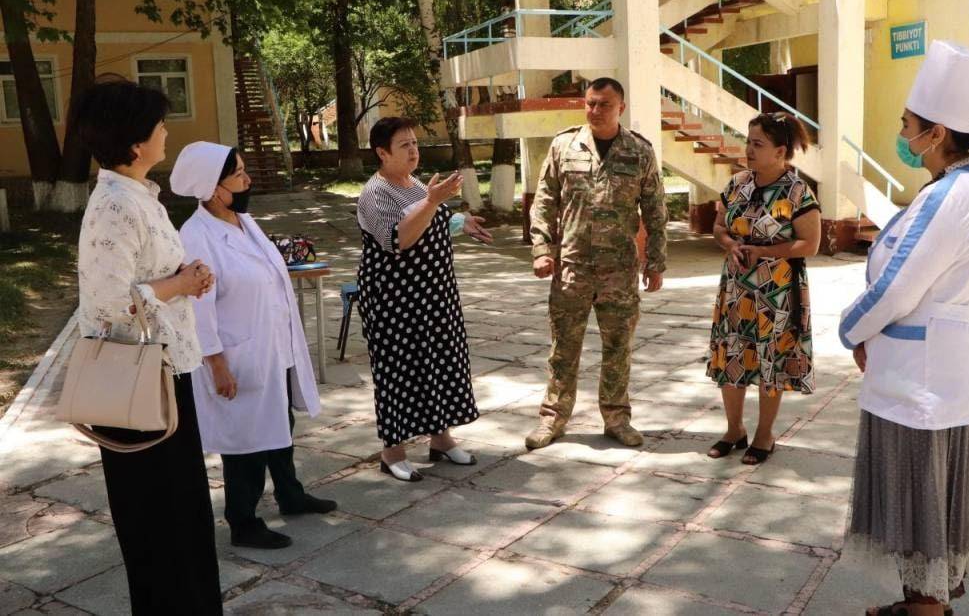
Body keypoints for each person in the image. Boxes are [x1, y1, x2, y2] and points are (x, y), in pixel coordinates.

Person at [839, 41, 969, 615]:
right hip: (947, 374)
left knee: (922, 508)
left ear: (936, 133)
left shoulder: (951, 195)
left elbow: (896, 287)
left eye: (906, 124)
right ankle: (927, 604)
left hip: (924, 383)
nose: (901, 133)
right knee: (940, 505)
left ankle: (925, 609)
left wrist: (851, 330)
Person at [72, 77, 222, 613]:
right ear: (136, 144)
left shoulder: (141, 196)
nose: (167, 133)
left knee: (184, 514)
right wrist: (178, 284)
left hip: (166, 370)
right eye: (160, 125)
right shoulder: (115, 205)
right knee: (158, 522)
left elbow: (145, 277)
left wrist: (185, 277)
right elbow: (108, 305)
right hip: (136, 381)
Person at [170, 142, 337, 550]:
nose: (248, 180)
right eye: (239, 174)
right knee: (245, 441)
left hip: (271, 345)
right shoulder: (196, 236)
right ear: (213, 188)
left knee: (280, 421)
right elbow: (198, 308)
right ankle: (243, 521)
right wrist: (217, 364)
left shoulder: (243, 220)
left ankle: (290, 494)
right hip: (236, 353)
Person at [526, 77, 668, 450]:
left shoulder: (639, 151)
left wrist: (656, 262)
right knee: (563, 348)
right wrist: (542, 249)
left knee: (618, 349)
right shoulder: (564, 145)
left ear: (621, 107)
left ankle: (617, 419)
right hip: (572, 268)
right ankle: (553, 418)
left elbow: (655, 211)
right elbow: (545, 201)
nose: (595, 110)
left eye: (604, 104)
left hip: (619, 271)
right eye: (590, 103)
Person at [356, 117, 493, 482]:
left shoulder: (413, 182)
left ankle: (441, 439)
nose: (413, 150)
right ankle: (393, 452)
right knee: (399, 371)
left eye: (415, 143)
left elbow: (431, 220)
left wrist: (460, 222)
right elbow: (398, 238)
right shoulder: (375, 193)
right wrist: (433, 201)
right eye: (404, 145)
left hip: (433, 295)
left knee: (441, 362)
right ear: (382, 153)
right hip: (395, 302)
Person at [705, 112, 821, 464]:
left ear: (780, 151)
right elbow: (719, 226)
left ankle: (764, 435)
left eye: (758, 144)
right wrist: (731, 244)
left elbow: (810, 244)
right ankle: (734, 430)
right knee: (732, 355)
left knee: (770, 358)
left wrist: (764, 252)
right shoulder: (737, 184)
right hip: (736, 289)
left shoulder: (797, 192)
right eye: (748, 142)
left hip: (777, 293)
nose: (749, 150)